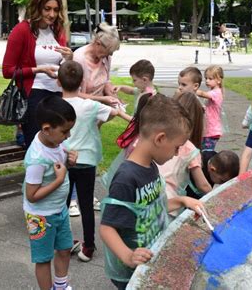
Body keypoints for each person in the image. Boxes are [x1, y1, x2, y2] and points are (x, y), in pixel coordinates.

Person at [99, 94, 205, 290]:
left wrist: (182, 200)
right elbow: (107, 227)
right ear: (160, 138)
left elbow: (152, 207)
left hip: (149, 260)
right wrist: (128, 256)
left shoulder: (151, 167)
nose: (175, 153)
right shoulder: (127, 178)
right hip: (130, 271)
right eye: (176, 147)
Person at [57, 61, 127, 263]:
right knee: (86, 205)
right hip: (87, 161)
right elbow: (113, 113)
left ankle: (65, 241)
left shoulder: (57, 105)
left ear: (59, 81)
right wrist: (98, 122)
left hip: (63, 161)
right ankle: (89, 246)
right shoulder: (91, 106)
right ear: (82, 82)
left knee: (62, 204)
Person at [2, 0, 74, 148]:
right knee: (37, 147)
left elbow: (62, 67)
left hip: (56, 95)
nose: (52, 15)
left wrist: (68, 59)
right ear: (37, 7)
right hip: (33, 95)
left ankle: (58, 174)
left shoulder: (57, 31)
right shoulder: (22, 31)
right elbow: (7, 71)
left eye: (55, 10)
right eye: (47, 9)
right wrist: (38, 70)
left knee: (56, 145)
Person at [22, 95, 77, 290]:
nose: (68, 136)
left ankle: (60, 285)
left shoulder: (56, 142)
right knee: (44, 259)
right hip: (41, 217)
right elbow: (32, 195)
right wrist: (60, 180)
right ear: (47, 129)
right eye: (65, 131)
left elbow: (61, 166)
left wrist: (69, 163)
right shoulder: (37, 160)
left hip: (58, 209)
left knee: (64, 248)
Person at [159, 92, 212, 216]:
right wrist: (216, 198)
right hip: (171, 204)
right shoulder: (189, 148)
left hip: (149, 199)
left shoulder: (161, 136)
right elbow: (203, 185)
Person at [101, 93, 154, 191]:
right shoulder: (140, 140)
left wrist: (121, 113)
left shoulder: (139, 126)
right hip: (132, 179)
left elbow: (132, 120)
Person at [73, 22, 121, 107]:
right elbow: (73, 94)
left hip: (98, 108)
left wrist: (111, 91)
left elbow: (106, 81)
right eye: (109, 51)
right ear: (98, 43)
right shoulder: (78, 59)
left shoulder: (105, 57)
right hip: (82, 110)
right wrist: (102, 99)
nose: (110, 55)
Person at [196, 65, 224, 151]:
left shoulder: (217, 93)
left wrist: (191, 88)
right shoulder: (213, 91)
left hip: (211, 131)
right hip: (208, 129)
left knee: (206, 153)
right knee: (202, 151)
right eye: (206, 78)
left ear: (218, 80)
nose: (207, 81)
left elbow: (203, 94)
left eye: (210, 79)